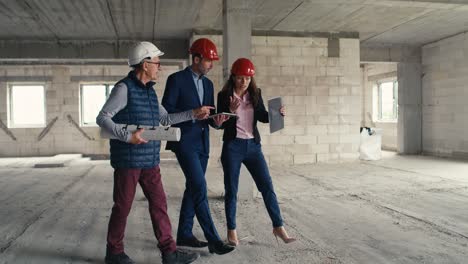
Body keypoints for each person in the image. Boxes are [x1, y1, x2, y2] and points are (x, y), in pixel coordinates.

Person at [96, 41, 210, 264]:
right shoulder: (123, 88)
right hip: (128, 161)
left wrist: (193, 114)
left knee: (159, 204)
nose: (160, 67)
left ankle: (169, 252)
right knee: (123, 207)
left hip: (150, 159)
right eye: (157, 63)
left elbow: (165, 120)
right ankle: (114, 252)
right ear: (145, 64)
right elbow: (102, 118)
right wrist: (128, 136)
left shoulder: (150, 93)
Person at [161, 38, 234, 255]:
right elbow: (167, 117)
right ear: (196, 59)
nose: (212, 64)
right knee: (200, 188)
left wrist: (218, 121)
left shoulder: (209, 84)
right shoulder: (176, 80)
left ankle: (184, 233)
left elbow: (209, 116)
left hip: (203, 142)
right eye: (209, 60)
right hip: (183, 142)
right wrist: (193, 114)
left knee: (192, 188)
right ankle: (213, 240)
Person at [216, 58, 296, 246]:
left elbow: (262, 117)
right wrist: (230, 110)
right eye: (241, 78)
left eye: (248, 78)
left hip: (253, 146)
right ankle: (232, 231)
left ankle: (278, 226)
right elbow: (219, 124)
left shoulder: (255, 94)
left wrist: (278, 113)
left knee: (267, 186)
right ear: (233, 77)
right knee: (231, 190)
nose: (244, 82)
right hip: (232, 146)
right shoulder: (224, 95)